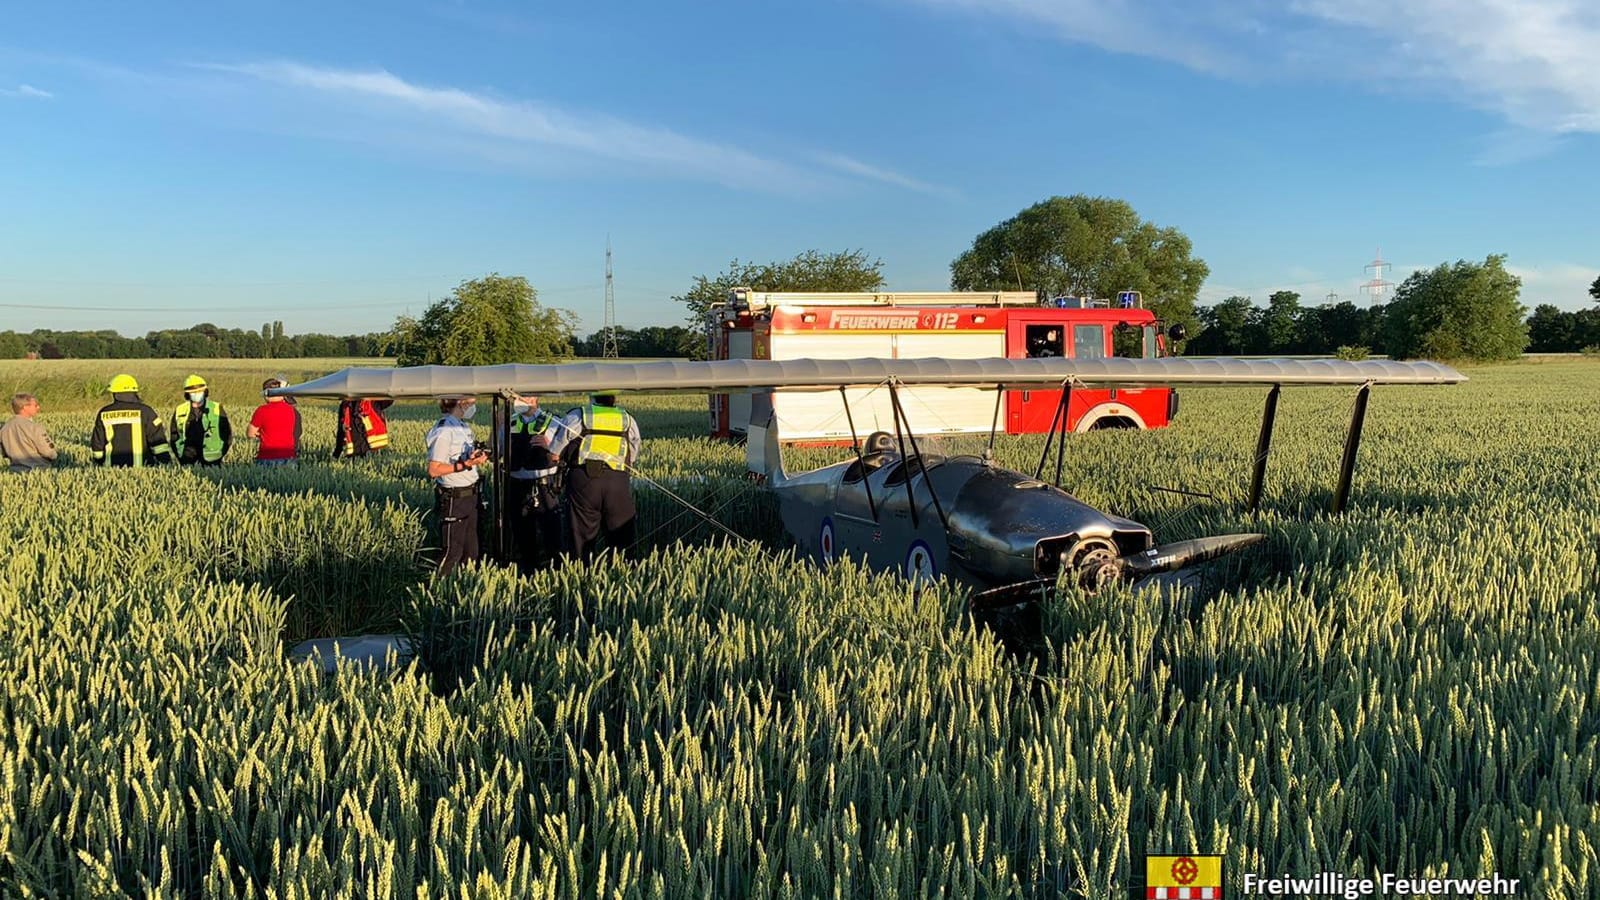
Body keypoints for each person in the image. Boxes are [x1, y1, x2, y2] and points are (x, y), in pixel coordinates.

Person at [549, 392, 641, 560]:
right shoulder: (627, 418)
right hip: (617, 482)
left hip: (584, 481)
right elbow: (633, 455)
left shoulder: (578, 415)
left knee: (581, 536)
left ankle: (582, 573)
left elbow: (555, 454)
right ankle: (623, 573)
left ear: (592, 397)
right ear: (615, 398)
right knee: (621, 536)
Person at [425, 396, 489, 575]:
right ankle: (439, 591)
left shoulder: (462, 426)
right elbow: (434, 469)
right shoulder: (445, 430)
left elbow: (463, 457)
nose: (474, 404)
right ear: (461, 402)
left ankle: (464, 590)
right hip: (454, 497)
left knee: (471, 552)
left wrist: (474, 457)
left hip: (471, 496)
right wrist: (465, 464)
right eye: (472, 400)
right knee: (452, 552)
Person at [507, 392, 562, 568]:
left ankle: (556, 569)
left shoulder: (553, 421)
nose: (518, 402)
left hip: (544, 485)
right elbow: (498, 450)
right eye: (517, 398)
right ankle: (528, 570)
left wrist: (549, 446)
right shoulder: (510, 421)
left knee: (552, 533)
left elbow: (562, 453)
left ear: (534, 399)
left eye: (522, 398)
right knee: (522, 533)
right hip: (517, 484)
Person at [90, 374, 173, 467]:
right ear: (134, 392)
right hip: (143, 470)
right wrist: (166, 462)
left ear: (115, 393)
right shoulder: (146, 412)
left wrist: (98, 463)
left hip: (111, 469)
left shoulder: (104, 413)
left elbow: (97, 447)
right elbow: (158, 442)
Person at [171, 374, 232, 466]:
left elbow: (227, 434)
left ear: (205, 392)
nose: (196, 394)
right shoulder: (180, 410)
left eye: (199, 391)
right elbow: (174, 436)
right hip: (187, 458)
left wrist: (220, 453)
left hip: (212, 458)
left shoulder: (216, 408)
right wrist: (181, 456)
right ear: (187, 395)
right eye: (193, 392)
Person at [247, 377, 301, 466]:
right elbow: (297, 432)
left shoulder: (261, 411)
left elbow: (250, 434)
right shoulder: (293, 411)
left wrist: (260, 434)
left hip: (267, 457)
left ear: (266, 394)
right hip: (289, 457)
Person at [0, 393, 58, 474]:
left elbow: (4, 453)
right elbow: (48, 452)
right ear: (25, 407)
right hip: (40, 471)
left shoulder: (4, 428)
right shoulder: (34, 427)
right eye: (35, 405)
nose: (38, 407)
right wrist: (55, 456)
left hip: (14, 473)